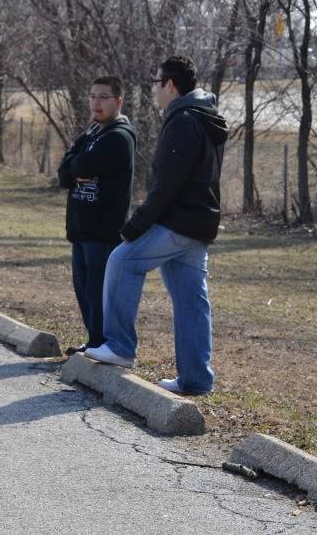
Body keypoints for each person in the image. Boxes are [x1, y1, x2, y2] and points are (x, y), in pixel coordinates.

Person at [84, 55, 228, 396]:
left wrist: (136, 225)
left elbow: (168, 184)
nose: (154, 89)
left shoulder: (183, 120)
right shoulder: (205, 117)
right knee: (191, 300)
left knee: (122, 260)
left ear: (170, 85)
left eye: (156, 82)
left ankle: (119, 346)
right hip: (200, 223)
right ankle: (195, 379)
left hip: (180, 222)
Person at [56, 76, 136, 355]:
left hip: (102, 230)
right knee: (84, 290)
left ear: (118, 101)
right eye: (92, 96)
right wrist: (74, 166)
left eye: (103, 97)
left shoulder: (119, 136)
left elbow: (85, 165)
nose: (96, 102)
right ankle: (93, 341)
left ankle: (104, 344)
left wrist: (75, 165)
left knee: (98, 292)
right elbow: (64, 174)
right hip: (80, 228)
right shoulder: (91, 134)